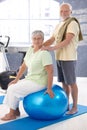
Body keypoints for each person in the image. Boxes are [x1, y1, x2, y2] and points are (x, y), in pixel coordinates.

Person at [1, 30, 54, 121]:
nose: (37, 41)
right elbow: (24, 66)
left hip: (40, 82)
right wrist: (16, 79)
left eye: (39, 39)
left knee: (13, 89)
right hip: (31, 79)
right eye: (34, 39)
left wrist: (49, 88)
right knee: (11, 85)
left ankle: (12, 113)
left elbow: (51, 72)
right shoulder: (31, 49)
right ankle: (16, 110)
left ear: (43, 39)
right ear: (32, 39)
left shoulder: (44, 53)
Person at [42, 3, 83, 114]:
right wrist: (40, 46)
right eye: (61, 11)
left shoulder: (72, 23)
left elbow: (67, 40)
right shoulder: (59, 25)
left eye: (66, 11)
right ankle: (66, 105)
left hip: (68, 58)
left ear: (71, 11)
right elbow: (52, 39)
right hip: (59, 57)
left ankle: (75, 107)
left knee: (71, 83)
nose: (63, 13)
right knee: (64, 83)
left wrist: (52, 48)